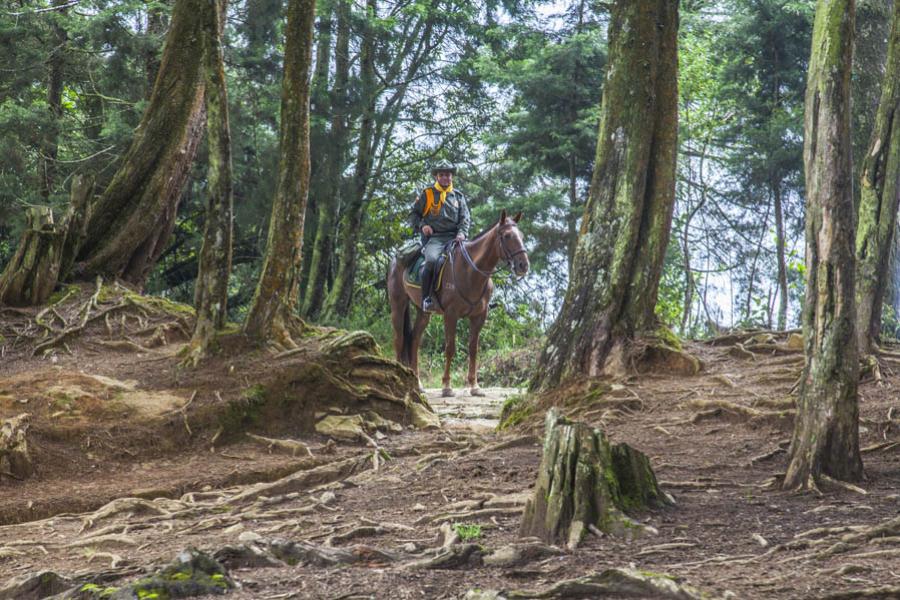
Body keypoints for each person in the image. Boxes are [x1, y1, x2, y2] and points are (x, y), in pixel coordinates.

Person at [409, 161, 470, 312]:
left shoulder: (458, 197)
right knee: (431, 261)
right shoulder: (427, 194)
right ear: (436, 176)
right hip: (435, 238)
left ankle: (478, 299)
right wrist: (423, 226)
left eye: (448, 175)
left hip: (455, 238)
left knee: (474, 258)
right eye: (442, 174)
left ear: (452, 177)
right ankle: (426, 299)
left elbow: (465, 218)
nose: (445, 178)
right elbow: (414, 215)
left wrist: (462, 232)